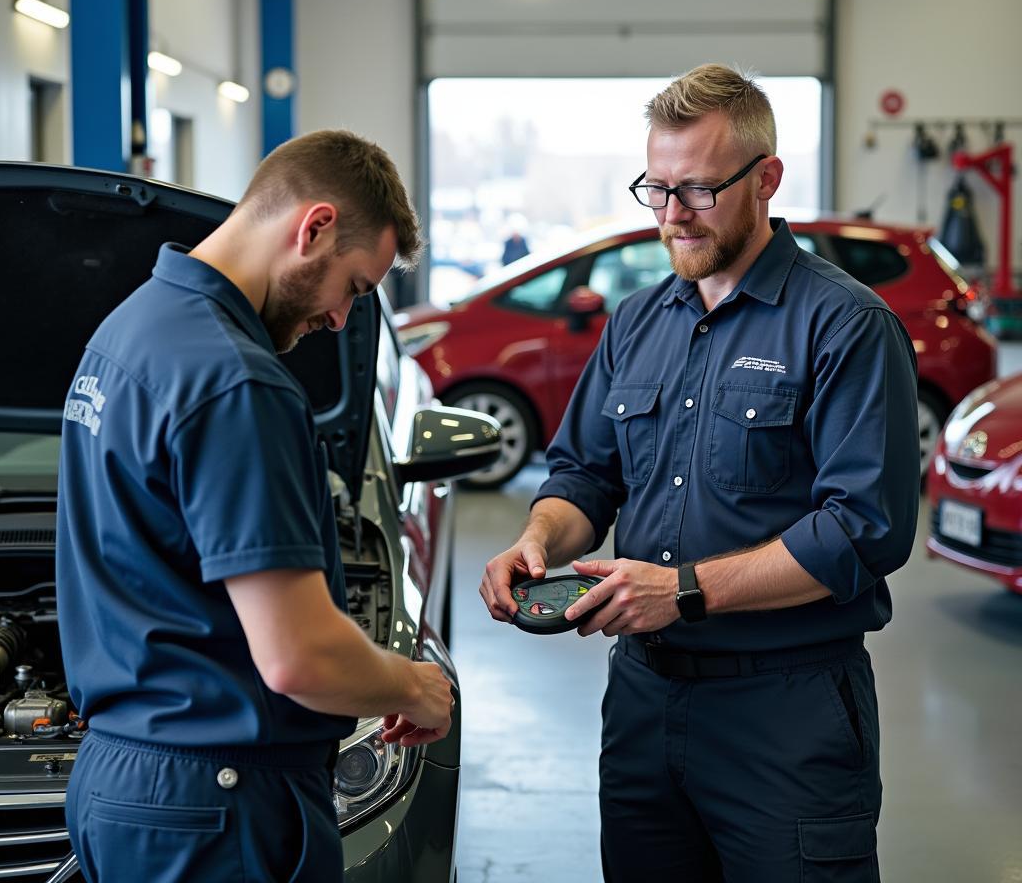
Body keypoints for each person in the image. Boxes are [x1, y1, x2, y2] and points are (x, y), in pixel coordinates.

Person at [480, 64, 919, 882]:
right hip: (643, 706)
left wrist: (681, 590)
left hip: (786, 714)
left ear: (767, 180)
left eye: (700, 191)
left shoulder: (847, 325)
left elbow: (862, 529)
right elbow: (585, 472)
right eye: (658, 188)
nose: (674, 215)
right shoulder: (638, 321)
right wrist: (536, 541)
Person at [57, 129, 454, 882]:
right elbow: (298, 656)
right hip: (215, 808)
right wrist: (413, 685)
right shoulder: (239, 383)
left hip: (121, 781)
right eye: (356, 288)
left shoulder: (127, 331)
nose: (341, 321)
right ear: (315, 228)